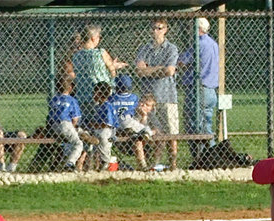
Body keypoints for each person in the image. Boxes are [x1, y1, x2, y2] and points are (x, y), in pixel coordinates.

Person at [134, 17, 179, 170]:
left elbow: (169, 71)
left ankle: (173, 163)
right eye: (153, 28)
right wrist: (158, 68)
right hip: (148, 98)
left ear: (165, 29)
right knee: (153, 132)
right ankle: (154, 164)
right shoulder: (144, 49)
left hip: (167, 96)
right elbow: (139, 71)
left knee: (171, 133)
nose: (156, 31)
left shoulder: (171, 48)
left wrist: (149, 69)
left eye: (159, 28)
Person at [178, 17, 219, 162]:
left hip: (197, 90)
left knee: (194, 125)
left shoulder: (198, 44)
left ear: (198, 28)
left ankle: (202, 158)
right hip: (211, 89)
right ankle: (212, 155)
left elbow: (182, 62)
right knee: (206, 124)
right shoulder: (213, 44)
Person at [70, 24, 125, 122]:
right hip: (101, 95)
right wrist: (113, 69)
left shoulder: (76, 55)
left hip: (83, 94)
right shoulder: (100, 52)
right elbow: (112, 70)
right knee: (103, 120)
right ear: (93, 38)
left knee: (86, 122)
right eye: (99, 36)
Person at [47, 79, 85, 173]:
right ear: (70, 88)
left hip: (52, 127)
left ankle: (62, 161)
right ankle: (69, 163)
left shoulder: (54, 99)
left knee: (68, 140)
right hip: (65, 125)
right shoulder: (72, 100)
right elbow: (75, 119)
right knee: (78, 143)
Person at [82, 82, 119, 172]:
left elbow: (107, 124)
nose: (92, 95)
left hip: (109, 131)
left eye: (94, 92)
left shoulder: (107, 106)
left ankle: (105, 161)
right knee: (88, 136)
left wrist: (93, 125)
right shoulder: (99, 106)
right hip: (98, 129)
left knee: (103, 135)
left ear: (98, 93)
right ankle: (89, 165)